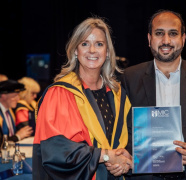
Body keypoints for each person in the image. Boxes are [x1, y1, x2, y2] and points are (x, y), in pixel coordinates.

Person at [118, 10, 186, 180]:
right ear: (149, 39)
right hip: (146, 175)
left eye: (173, 33)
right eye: (159, 33)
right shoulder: (129, 77)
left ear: (183, 39)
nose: (166, 41)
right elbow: (122, 129)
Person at [32, 17, 133, 180]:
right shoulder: (59, 94)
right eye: (85, 43)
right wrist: (105, 155)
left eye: (99, 44)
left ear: (107, 52)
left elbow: (130, 136)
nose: (92, 50)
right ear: (75, 51)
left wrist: (125, 161)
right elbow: (54, 150)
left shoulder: (118, 94)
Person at [0, 80, 34, 147]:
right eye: (15, 96)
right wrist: (17, 136)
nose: (18, 99)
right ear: (3, 96)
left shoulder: (9, 109)